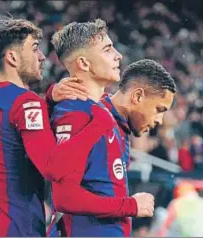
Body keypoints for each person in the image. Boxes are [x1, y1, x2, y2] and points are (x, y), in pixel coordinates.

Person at [0, 19, 115, 237]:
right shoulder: (26, 102)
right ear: (13, 58)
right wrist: (98, 124)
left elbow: (13, 124)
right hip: (15, 228)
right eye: (34, 48)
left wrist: (50, 97)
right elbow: (53, 166)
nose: (42, 56)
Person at [50, 19, 176, 237]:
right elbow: (65, 197)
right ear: (84, 63)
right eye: (108, 49)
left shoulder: (111, 117)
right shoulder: (76, 112)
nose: (119, 55)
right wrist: (131, 206)